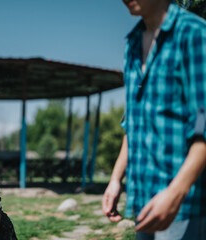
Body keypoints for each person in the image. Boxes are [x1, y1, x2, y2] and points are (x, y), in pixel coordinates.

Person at [102, 0, 206, 239]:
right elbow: (134, 125)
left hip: (183, 206)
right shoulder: (132, 44)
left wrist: (175, 193)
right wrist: (116, 179)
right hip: (144, 201)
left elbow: (204, 128)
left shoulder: (194, 34)